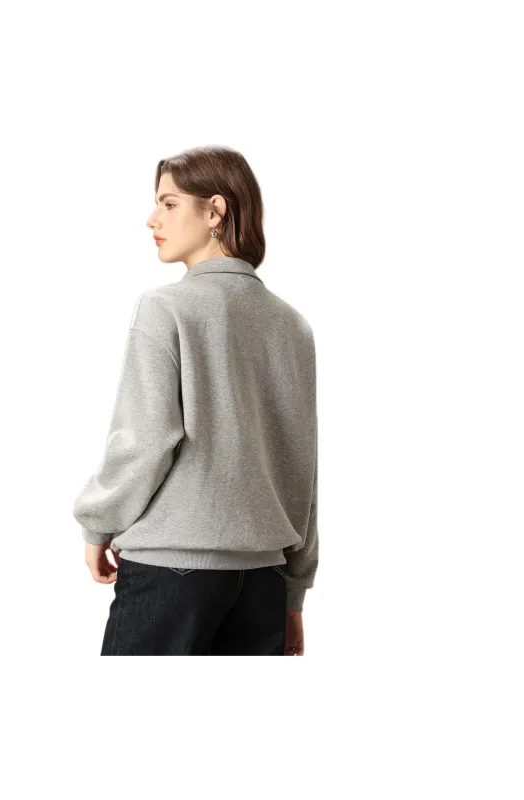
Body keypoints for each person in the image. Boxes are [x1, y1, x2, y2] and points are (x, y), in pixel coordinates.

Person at [73, 146, 319, 655]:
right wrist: (294, 593)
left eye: (169, 204)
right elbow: (301, 467)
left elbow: (144, 440)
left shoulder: (166, 308)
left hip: (172, 572)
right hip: (263, 579)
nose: (152, 219)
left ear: (214, 211)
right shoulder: (292, 325)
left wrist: (98, 523)